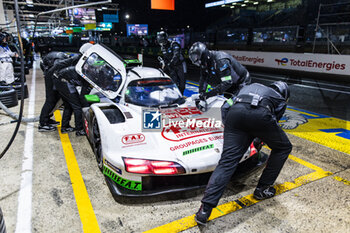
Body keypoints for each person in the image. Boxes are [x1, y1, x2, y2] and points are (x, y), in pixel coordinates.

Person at [195, 81, 293, 226]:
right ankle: (263, 188)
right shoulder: (279, 99)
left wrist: (231, 129)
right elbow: (272, 123)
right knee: (283, 148)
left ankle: (205, 210)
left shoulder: (248, 87)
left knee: (227, 162)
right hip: (260, 115)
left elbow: (226, 107)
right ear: (284, 94)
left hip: (235, 116)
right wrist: (259, 140)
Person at [46, 43, 93, 136]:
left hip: (61, 79)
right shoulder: (78, 59)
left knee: (68, 105)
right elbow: (83, 94)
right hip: (63, 81)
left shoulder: (82, 61)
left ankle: (65, 127)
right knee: (77, 106)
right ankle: (79, 129)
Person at [38, 51, 70, 132]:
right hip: (50, 75)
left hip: (50, 72)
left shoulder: (65, 58)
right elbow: (57, 72)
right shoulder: (60, 60)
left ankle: (47, 119)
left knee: (55, 98)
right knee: (50, 100)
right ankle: (43, 123)